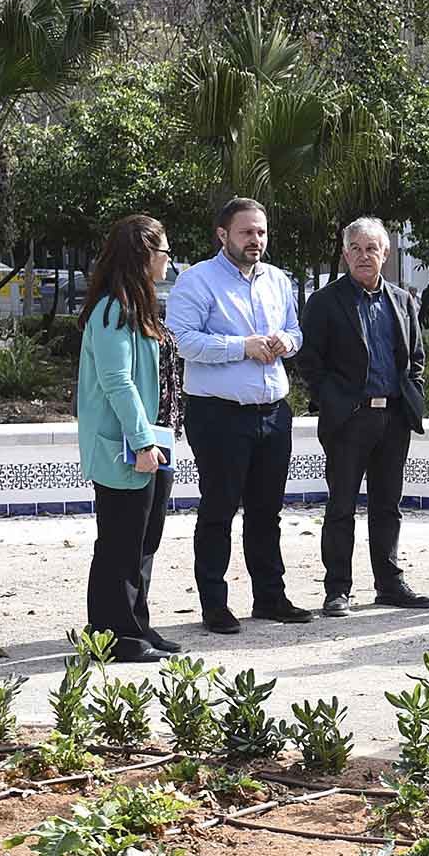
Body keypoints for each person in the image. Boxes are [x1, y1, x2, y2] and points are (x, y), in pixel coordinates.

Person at [166, 196, 311, 635]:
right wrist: (241, 346)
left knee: (267, 512)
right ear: (223, 234)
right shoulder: (196, 281)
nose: (256, 240)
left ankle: (270, 597)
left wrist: (286, 342)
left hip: (273, 411)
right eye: (247, 232)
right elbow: (183, 341)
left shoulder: (278, 280)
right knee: (219, 510)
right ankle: (215, 605)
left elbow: (295, 330)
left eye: (262, 232)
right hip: (218, 415)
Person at [294, 217, 429, 617]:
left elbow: (416, 358)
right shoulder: (325, 301)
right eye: (355, 248)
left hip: (393, 418)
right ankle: (337, 589)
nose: (363, 255)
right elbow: (309, 361)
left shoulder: (403, 300)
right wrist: (334, 401)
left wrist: (413, 396)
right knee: (341, 507)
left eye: (371, 248)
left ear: (385, 254)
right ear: (344, 254)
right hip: (348, 421)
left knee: (388, 505)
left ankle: (389, 583)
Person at [75, 215, 182, 664]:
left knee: (143, 540)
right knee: (119, 542)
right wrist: (141, 442)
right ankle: (113, 635)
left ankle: (136, 624)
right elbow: (117, 380)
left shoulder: (138, 305)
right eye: (164, 252)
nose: (168, 261)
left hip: (154, 442)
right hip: (128, 447)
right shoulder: (112, 309)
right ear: (143, 255)